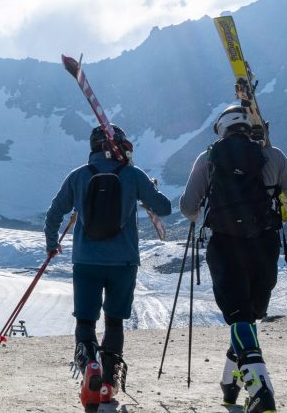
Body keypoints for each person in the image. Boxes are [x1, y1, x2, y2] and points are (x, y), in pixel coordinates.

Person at [180, 106, 287, 413]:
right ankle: (229, 387)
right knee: (248, 318)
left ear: (222, 130)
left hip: (225, 245)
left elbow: (188, 207)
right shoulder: (272, 156)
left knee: (239, 316)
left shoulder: (208, 157)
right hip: (264, 245)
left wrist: (204, 208)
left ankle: (262, 391)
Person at [44, 125, 172, 394]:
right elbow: (165, 208)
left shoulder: (78, 176)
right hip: (123, 262)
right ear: (119, 147)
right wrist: (149, 189)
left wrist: (52, 245)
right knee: (114, 320)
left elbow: (54, 213)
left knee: (86, 321)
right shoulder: (133, 175)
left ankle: (90, 363)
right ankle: (109, 380)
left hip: (86, 261)